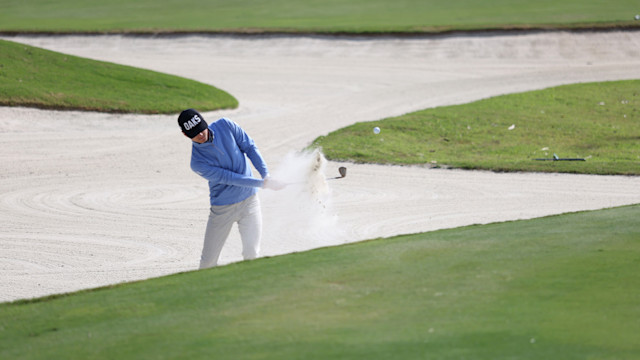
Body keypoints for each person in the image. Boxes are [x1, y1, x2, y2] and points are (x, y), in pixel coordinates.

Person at [178, 109, 284, 269]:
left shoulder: (226, 125)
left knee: (252, 254)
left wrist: (266, 176)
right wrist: (263, 184)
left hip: (250, 203)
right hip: (223, 210)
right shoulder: (197, 163)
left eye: (201, 128)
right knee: (208, 261)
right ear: (186, 135)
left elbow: (250, 147)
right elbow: (230, 178)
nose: (201, 134)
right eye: (195, 133)